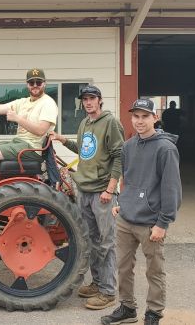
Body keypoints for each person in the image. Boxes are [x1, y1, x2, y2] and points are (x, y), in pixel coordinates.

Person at [102, 99, 181, 325]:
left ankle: (153, 313)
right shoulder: (128, 146)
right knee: (123, 267)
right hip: (126, 218)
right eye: (136, 116)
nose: (139, 121)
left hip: (150, 223)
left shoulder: (166, 149)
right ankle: (127, 308)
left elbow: (171, 188)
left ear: (155, 118)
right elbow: (129, 180)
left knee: (154, 271)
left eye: (145, 116)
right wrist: (123, 203)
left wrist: (163, 223)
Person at [50, 85, 124, 310]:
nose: (88, 102)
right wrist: (62, 139)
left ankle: (109, 291)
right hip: (84, 189)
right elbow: (83, 150)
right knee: (91, 240)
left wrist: (110, 189)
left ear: (100, 100)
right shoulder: (85, 123)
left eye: (92, 98)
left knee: (106, 241)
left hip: (102, 192)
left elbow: (120, 156)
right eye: (85, 99)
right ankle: (97, 283)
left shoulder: (110, 123)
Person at [0, 68, 58, 180]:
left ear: (44, 84)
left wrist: (17, 118)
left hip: (33, 148)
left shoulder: (48, 103)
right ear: (27, 84)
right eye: (32, 82)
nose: (35, 85)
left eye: (39, 82)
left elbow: (41, 130)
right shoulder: (23, 102)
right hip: (19, 143)